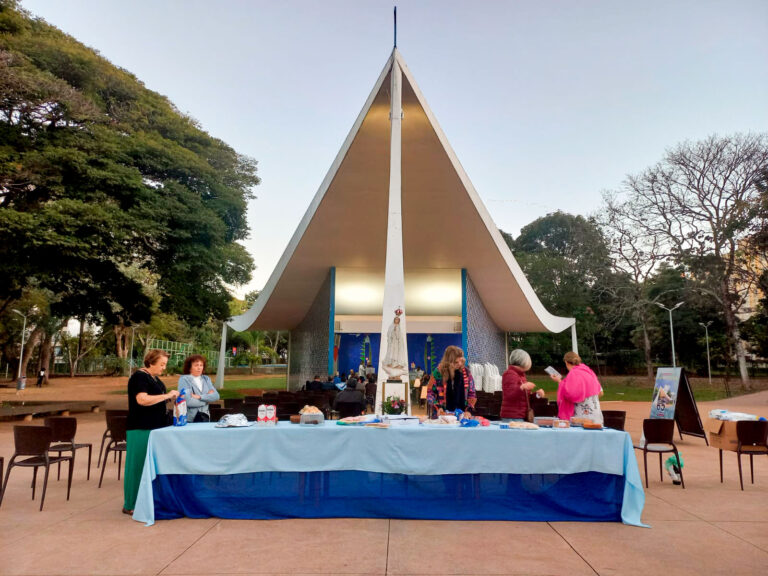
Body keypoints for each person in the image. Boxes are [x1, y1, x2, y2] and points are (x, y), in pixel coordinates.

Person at [124, 349, 178, 515]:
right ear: (150, 362)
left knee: (150, 466)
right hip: (140, 428)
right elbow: (142, 399)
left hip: (155, 427)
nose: (163, 368)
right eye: (161, 364)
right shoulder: (139, 377)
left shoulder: (154, 378)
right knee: (137, 466)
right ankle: (131, 503)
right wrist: (167, 396)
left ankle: (148, 499)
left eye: (165, 365)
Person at [549, 351, 603, 425]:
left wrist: (559, 381)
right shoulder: (589, 371)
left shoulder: (573, 373)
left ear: (566, 362)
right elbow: (600, 392)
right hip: (596, 414)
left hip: (582, 417)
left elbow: (570, 394)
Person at [426, 346, 476, 418]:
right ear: (448, 362)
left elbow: (472, 394)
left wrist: (469, 411)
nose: (459, 364)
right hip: (442, 417)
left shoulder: (467, 373)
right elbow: (430, 393)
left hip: (462, 416)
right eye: (456, 362)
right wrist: (437, 407)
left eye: (461, 361)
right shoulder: (437, 373)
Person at [501, 349, 542, 422]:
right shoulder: (510, 374)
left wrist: (537, 395)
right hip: (513, 416)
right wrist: (522, 387)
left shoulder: (521, 375)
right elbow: (509, 394)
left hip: (520, 415)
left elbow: (525, 397)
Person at [177, 354, 219, 423]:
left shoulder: (206, 379)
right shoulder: (184, 379)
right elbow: (188, 401)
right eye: (196, 365)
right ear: (189, 367)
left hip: (205, 417)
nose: (199, 368)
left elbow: (216, 396)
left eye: (201, 365)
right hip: (190, 419)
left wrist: (199, 397)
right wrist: (207, 400)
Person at [382, 311, 408, 377]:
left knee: (396, 353)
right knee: (391, 352)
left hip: (396, 343)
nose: (396, 320)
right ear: (394, 320)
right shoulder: (391, 326)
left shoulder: (399, 327)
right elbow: (389, 334)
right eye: (396, 319)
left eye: (398, 320)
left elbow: (400, 336)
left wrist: (397, 332)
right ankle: (390, 362)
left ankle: (396, 363)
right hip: (392, 343)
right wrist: (393, 331)